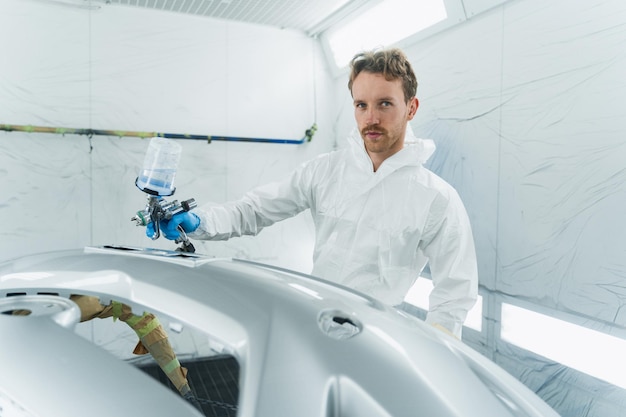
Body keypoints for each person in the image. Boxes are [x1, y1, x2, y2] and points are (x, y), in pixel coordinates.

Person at [150, 47, 478, 339]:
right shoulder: (325, 171)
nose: (371, 118)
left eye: (385, 104)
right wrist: (198, 220)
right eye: (361, 105)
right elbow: (255, 209)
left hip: (378, 340)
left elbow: (454, 294)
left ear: (411, 107)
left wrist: (438, 349)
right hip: (316, 324)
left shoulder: (437, 199)